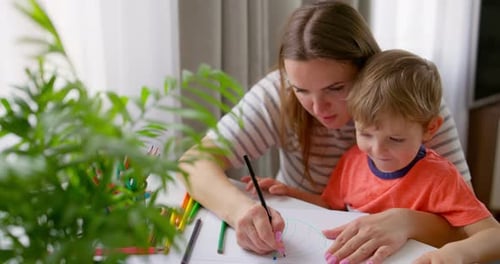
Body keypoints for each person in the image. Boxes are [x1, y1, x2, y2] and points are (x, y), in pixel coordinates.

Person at [178, 1, 471, 263]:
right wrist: (241, 211)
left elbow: (467, 224)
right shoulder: (277, 93)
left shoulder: (408, 105)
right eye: (301, 90)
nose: (319, 108)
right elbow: (193, 163)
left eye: (335, 89)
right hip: (299, 238)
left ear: (367, 69)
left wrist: (406, 221)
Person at [248, 49, 500, 264]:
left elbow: (493, 235)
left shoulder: (441, 178)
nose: (377, 151)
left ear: (430, 129)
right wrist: (289, 193)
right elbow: (330, 206)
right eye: (365, 134)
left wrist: (457, 253)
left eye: (395, 139)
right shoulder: (352, 161)